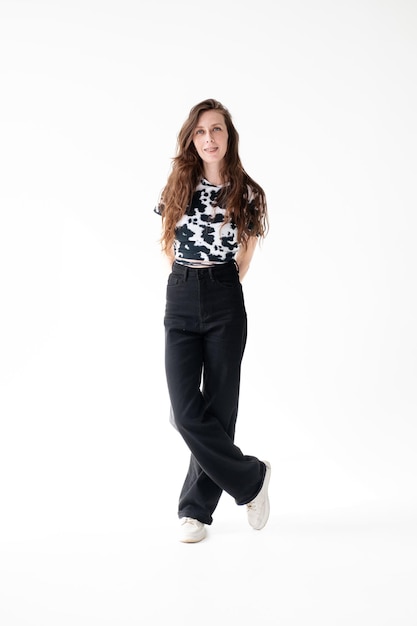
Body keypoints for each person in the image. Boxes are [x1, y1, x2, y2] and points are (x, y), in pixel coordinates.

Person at [154, 98, 271, 543]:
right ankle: (251, 478)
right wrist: (187, 278)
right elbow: (167, 241)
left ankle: (196, 513)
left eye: (217, 129)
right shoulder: (178, 184)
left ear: (229, 136)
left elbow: (245, 255)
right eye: (201, 131)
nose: (209, 138)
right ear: (192, 138)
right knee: (185, 411)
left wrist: (219, 283)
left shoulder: (249, 191)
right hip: (181, 292)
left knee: (219, 410)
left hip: (224, 296)